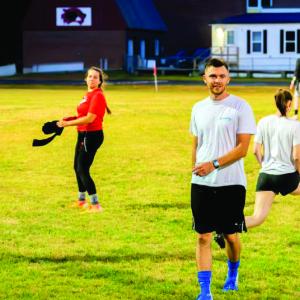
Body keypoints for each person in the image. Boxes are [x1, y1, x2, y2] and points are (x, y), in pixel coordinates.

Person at [190, 58, 256, 300]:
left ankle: (233, 272)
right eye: (212, 76)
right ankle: (205, 292)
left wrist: (214, 164)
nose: (217, 80)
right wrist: (194, 171)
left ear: (228, 79)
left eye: (221, 76)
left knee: (230, 235)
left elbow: (243, 148)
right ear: (204, 79)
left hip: (231, 182)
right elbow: (196, 143)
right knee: (202, 235)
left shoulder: (240, 107)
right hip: (202, 183)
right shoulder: (197, 108)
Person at [57, 66, 111, 212]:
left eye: (95, 77)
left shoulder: (98, 95)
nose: (92, 79)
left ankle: (96, 205)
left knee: (82, 169)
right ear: (85, 79)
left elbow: (89, 118)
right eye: (90, 76)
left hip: (91, 135)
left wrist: (68, 124)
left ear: (100, 81)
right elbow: (82, 115)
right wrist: (67, 119)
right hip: (82, 134)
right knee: (76, 167)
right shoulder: (88, 95)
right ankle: (81, 201)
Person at [245, 89, 300, 229]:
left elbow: (255, 151)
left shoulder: (263, 122)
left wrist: (264, 166)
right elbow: (296, 157)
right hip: (287, 177)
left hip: (266, 176)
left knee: (257, 218)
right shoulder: (295, 126)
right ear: (289, 104)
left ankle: (225, 226)